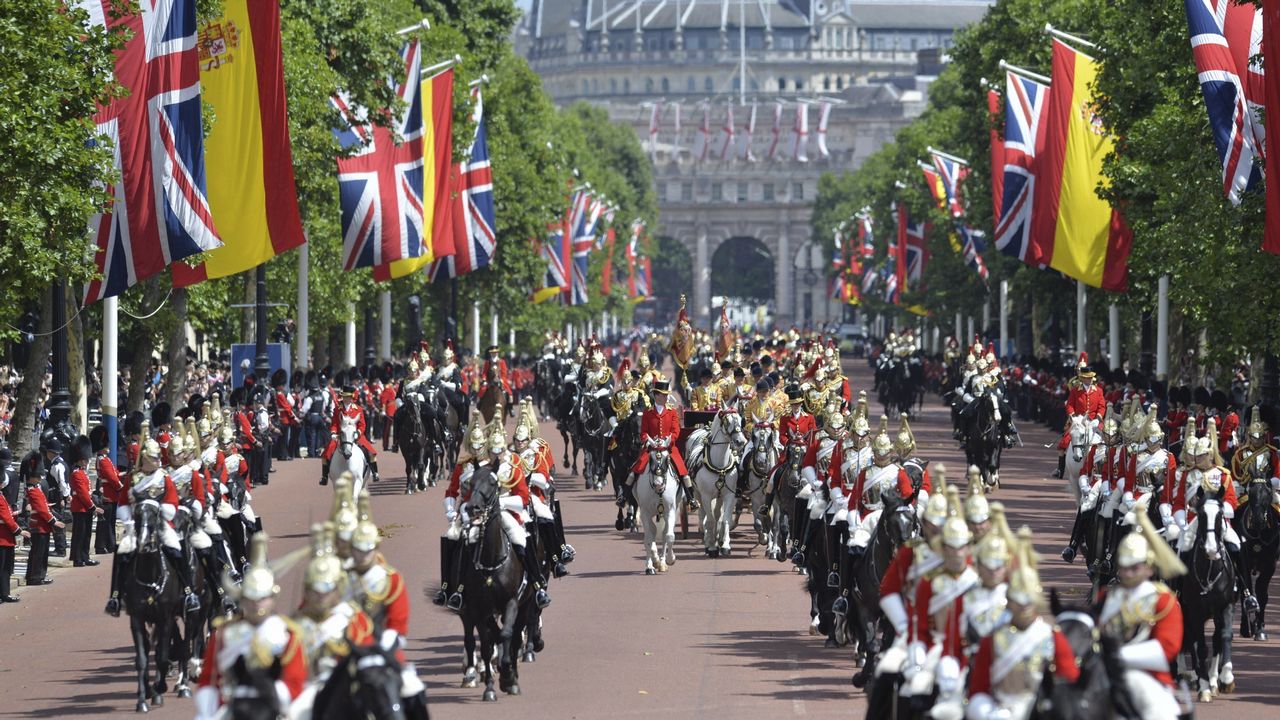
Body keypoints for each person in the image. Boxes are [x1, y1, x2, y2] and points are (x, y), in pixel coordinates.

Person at [966, 527, 1080, 719]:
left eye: (1029, 602)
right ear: (1008, 602)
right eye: (1019, 602)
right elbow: (979, 688)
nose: (1024, 608)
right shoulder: (994, 638)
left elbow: (1070, 681)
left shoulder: (1051, 637)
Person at [194, 532, 309, 720]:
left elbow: (294, 681)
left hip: (275, 703)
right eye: (251, 599)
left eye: (262, 599)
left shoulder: (287, 634)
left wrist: (273, 695)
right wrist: (208, 711)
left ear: (272, 598)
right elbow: (209, 679)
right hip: (232, 703)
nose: (256, 604)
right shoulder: (225, 633)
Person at [1100, 500, 1186, 719]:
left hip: (1149, 676)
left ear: (1149, 568)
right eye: (1124, 567)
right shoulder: (1108, 596)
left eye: (1134, 568)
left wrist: (1118, 655)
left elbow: (1167, 647)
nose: (1127, 573)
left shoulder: (1163, 600)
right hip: (1106, 673)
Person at [623, 380, 698, 511]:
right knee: (635, 471)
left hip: (668, 448)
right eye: (663, 395)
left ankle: (691, 499)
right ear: (656, 395)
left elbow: (676, 430)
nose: (665, 397)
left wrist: (669, 440)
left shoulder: (672, 411)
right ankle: (623, 497)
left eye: (666, 395)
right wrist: (649, 440)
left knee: (683, 472)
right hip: (650, 448)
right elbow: (644, 432)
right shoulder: (648, 412)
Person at [1054, 353, 1106, 479]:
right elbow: (1070, 405)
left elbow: (1102, 406)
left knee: (1107, 440)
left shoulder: (1098, 390)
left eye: (1089, 378)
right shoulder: (1075, 391)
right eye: (1085, 377)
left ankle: (1106, 469)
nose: (1087, 380)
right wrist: (1073, 416)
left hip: (1094, 421)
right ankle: (1061, 470)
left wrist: (1098, 418)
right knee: (1064, 443)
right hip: (1078, 420)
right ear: (1082, 378)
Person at [319, 385, 379, 486]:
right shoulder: (338, 409)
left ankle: (375, 473)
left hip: (356, 436)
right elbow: (334, 424)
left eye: (349, 397)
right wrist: (333, 433)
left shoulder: (358, 409)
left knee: (371, 452)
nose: (347, 399)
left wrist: (358, 433)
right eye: (345, 397)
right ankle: (324, 477)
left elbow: (362, 425)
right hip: (340, 435)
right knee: (326, 454)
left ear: (352, 397)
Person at [23, 452, 60, 586]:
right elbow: (41, 509)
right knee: (38, 552)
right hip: (39, 525)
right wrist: (54, 521)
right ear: (31, 477)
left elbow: (42, 505)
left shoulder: (35, 489)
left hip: (41, 524)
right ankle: (35, 576)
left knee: (41, 552)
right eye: (37, 476)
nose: (39, 478)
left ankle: (38, 575)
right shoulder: (32, 490)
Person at [68, 435, 102, 567]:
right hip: (80, 508)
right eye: (85, 460)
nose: (87, 462)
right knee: (79, 535)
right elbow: (82, 494)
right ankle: (78, 558)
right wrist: (93, 507)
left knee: (86, 534)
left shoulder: (82, 472)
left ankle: (85, 556)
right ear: (81, 460)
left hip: (85, 507)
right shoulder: (76, 473)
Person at [90, 425, 121, 554]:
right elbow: (111, 478)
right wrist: (121, 487)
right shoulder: (103, 460)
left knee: (108, 521)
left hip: (109, 492)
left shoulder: (104, 459)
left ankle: (108, 544)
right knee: (106, 522)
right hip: (109, 494)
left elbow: (114, 474)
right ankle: (103, 545)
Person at [0, 469, 29, 601]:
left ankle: (4, 593)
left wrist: (20, 512)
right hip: (3, 537)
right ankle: (4, 594)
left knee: (6, 568)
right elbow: (6, 519)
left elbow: (8, 515)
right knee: (3, 568)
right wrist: (19, 531)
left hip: (5, 537)